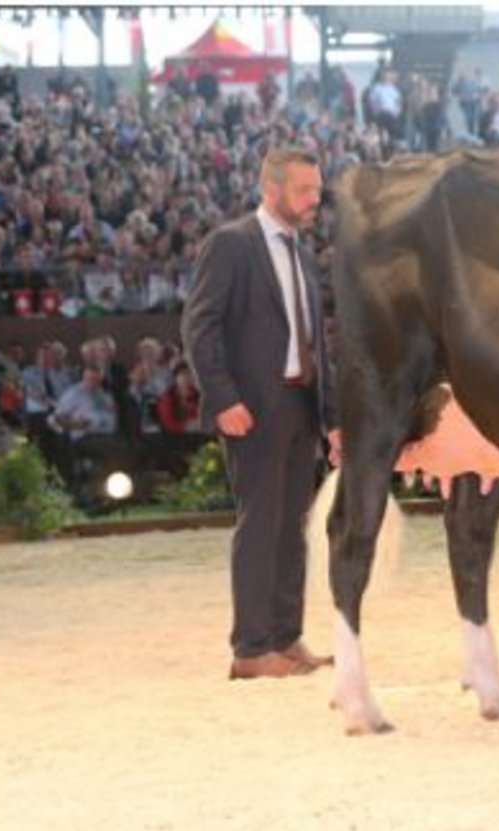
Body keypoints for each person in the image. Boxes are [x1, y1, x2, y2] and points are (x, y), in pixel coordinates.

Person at [182, 147, 339, 681]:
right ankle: (250, 649)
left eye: (316, 190)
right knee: (260, 524)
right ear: (271, 189)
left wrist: (333, 417)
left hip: (301, 405)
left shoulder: (303, 252)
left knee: (292, 527)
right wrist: (223, 399)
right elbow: (198, 327)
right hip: (251, 410)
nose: (314, 199)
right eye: (303, 190)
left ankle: (284, 638)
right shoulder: (230, 244)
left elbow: (318, 342)